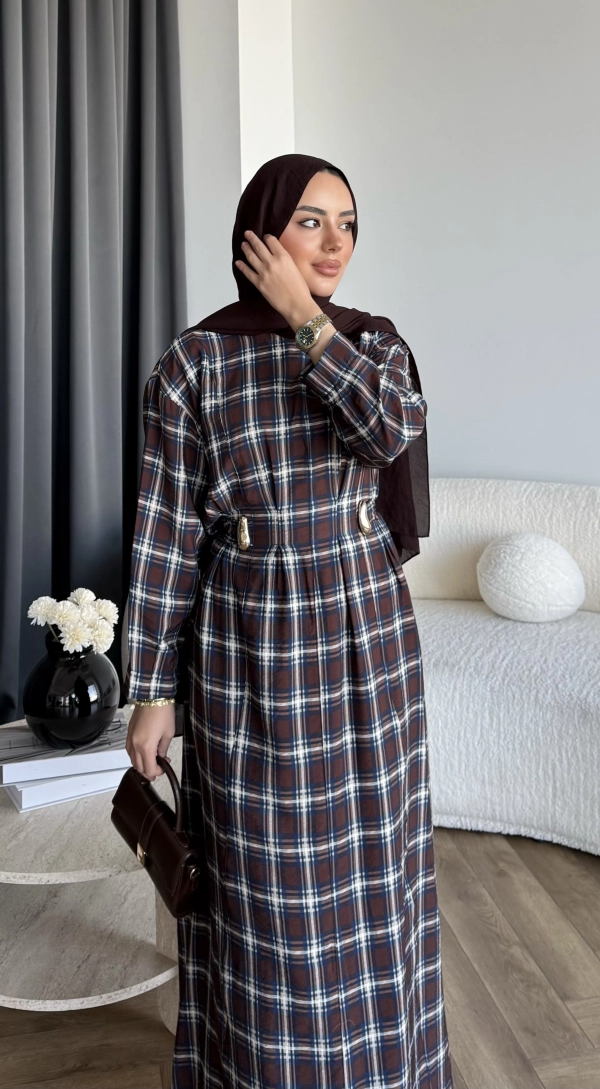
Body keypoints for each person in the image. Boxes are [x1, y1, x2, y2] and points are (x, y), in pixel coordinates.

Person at [124, 153, 454, 1088]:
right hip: (250, 642)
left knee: (379, 867)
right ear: (260, 232)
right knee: (266, 885)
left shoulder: (374, 346)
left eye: (347, 224)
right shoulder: (193, 363)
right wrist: (151, 689)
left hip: (368, 638)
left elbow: (388, 433)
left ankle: (389, 1067)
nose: (335, 242)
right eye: (311, 220)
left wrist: (308, 322)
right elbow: (164, 537)